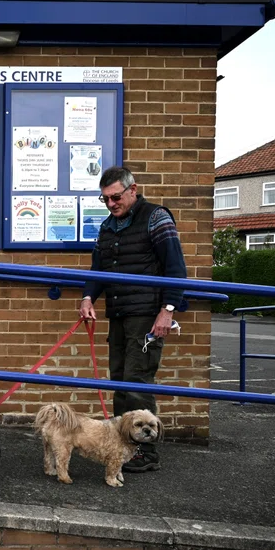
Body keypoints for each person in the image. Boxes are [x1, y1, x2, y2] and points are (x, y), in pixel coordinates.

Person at [79, 166, 187, 473]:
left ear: (133, 190)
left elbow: (176, 268)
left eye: (116, 197)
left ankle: (146, 453)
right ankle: (123, 447)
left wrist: (168, 310)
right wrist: (88, 297)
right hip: (119, 314)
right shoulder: (106, 226)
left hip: (146, 316)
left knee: (137, 383)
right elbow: (97, 269)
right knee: (120, 382)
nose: (111, 204)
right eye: (105, 199)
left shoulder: (156, 218)